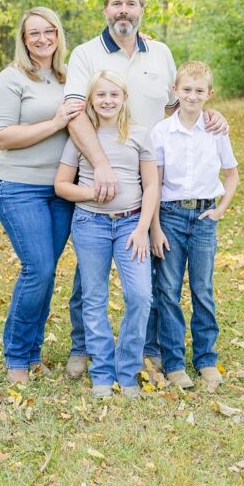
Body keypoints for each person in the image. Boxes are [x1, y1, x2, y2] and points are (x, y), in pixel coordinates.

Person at [61, 0, 227, 381]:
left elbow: (177, 107)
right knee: (90, 273)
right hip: (105, 176)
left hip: (153, 177)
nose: (123, 10)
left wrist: (209, 116)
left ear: (141, 11)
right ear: (105, 10)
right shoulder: (86, 54)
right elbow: (73, 111)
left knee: (151, 269)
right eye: (116, 4)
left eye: (130, 4)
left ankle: (149, 349)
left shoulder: (161, 52)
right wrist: (99, 164)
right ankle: (83, 346)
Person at [0, 7, 84, 385]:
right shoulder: (12, 78)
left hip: (61, 189)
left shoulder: (69, 77)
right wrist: (56, 123)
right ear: (24, 40)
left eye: (49, 31)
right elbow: (3, 137)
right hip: (18, 187)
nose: (43, 39)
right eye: (34, 34)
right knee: (38, 268)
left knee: (45, 274)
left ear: (58, 35)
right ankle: (16, 356)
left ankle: (33, 354)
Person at [55, 69, 159, 399]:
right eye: (100, 95)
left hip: (131, 225)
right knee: (93, 298)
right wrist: (92, 194)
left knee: (140, 295)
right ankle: (102, 372)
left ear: (124, 98)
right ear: (90, 101)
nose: (107, 100)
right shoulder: (81, 138)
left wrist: (143, 228)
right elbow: (61, 186)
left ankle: (127, 370)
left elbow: (152, 184)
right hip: (91, 225)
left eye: (114, 94)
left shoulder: (140, 135)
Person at [150, 61, 240, 391]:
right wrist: (156, 227)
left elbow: (231, 174)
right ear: (176, 91)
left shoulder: (216, 130)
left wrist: (220, 210)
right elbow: (155, 185)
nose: (191, 95)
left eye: (199, 91)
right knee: (168, 290)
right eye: (186, 89)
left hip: (203, 218)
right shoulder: (161, 132)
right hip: (171, 216)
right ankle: (173, 362)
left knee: (202, 289)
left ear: (209, 94)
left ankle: (206, 359)